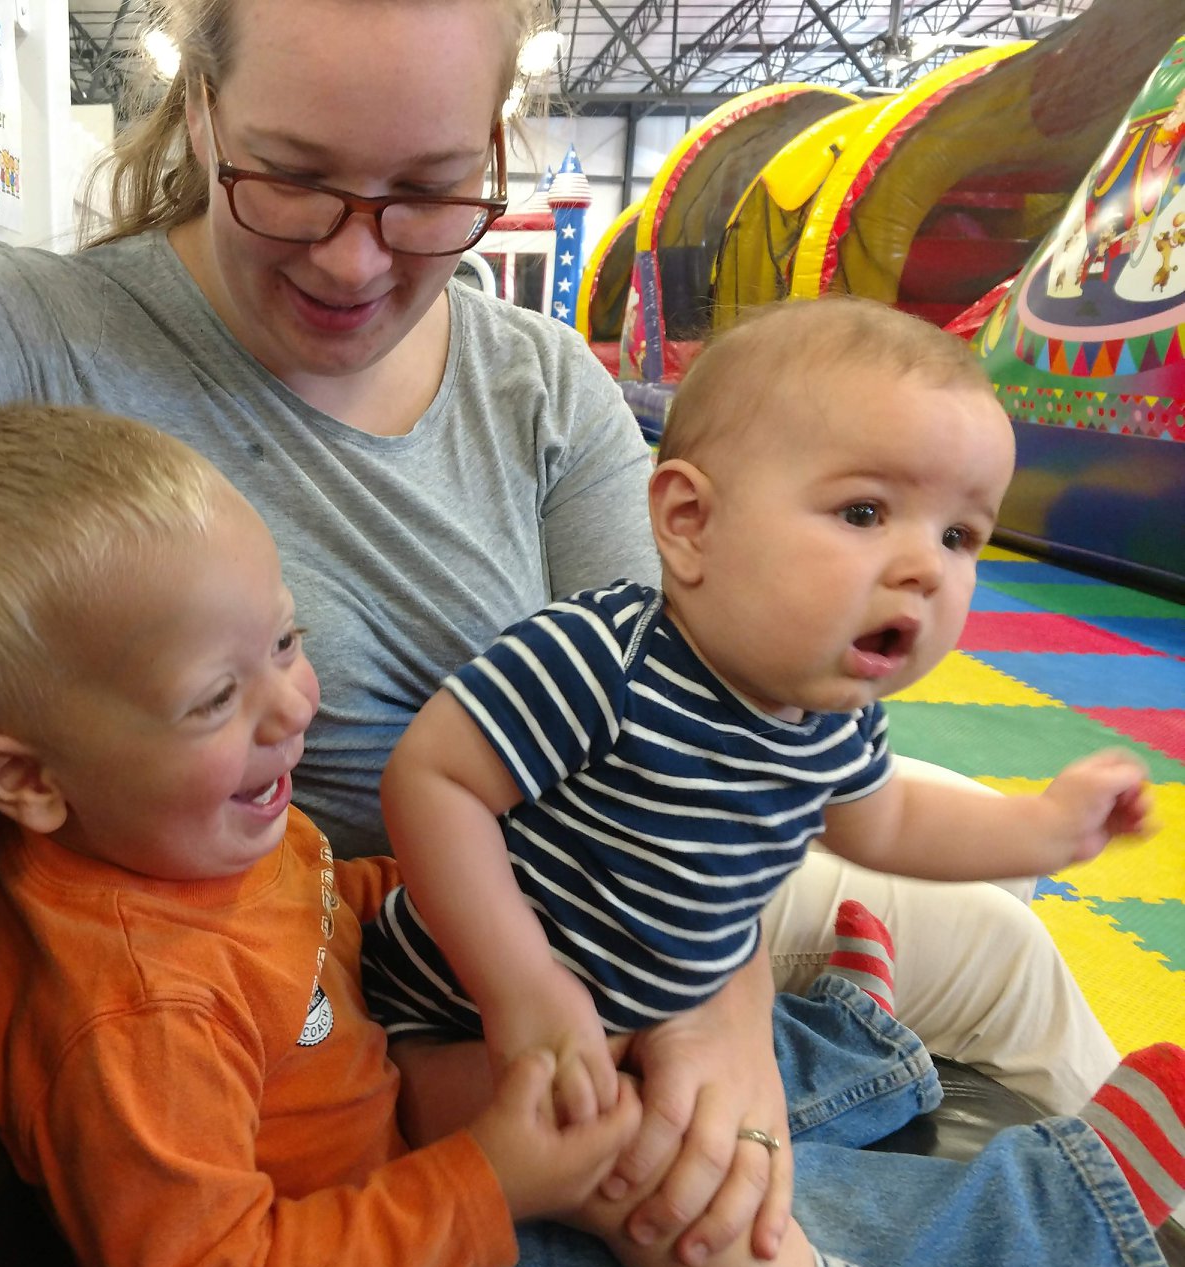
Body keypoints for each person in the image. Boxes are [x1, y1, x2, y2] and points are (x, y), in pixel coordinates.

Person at [0, 0, 1122, 1256]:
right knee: (699, 1202)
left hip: (643, 892)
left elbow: (715, 704)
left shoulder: (536, 380)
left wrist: (726, 1011)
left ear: (495, 151)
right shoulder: (32, 331)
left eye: (430, 193)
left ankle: (880, 1051)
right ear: (198, 108)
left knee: (1011, 948)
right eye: (292, 180)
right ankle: (1070, 1194)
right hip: (441, 984)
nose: (353, 256)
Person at [0, 402, 1180, 1267]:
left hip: (410, 1104)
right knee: (672, 1205)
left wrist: (513, 931)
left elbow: (325, 908)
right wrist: (493, 1182)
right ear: (27, 779)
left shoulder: (194, 829)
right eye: (215, 697)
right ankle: (1062, 1209)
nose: (293, 707)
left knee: (635, 1065)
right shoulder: (138, 1012)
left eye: (287, 642)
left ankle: (846, 1039)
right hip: (406, 1243)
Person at [357, 296, 1154, 1163]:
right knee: (652, 1166)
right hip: (455, 1019)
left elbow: (886, 823)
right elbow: (432, 779)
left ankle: (849, 1035)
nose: (927, 567)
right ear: (691, 522)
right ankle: (946, 1147)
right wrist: (521, 985)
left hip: (651, 991)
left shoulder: (831, 714)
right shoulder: (604, 659)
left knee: (716, 1102)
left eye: (960, 535)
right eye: (864, 512)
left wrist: (1045, 827)